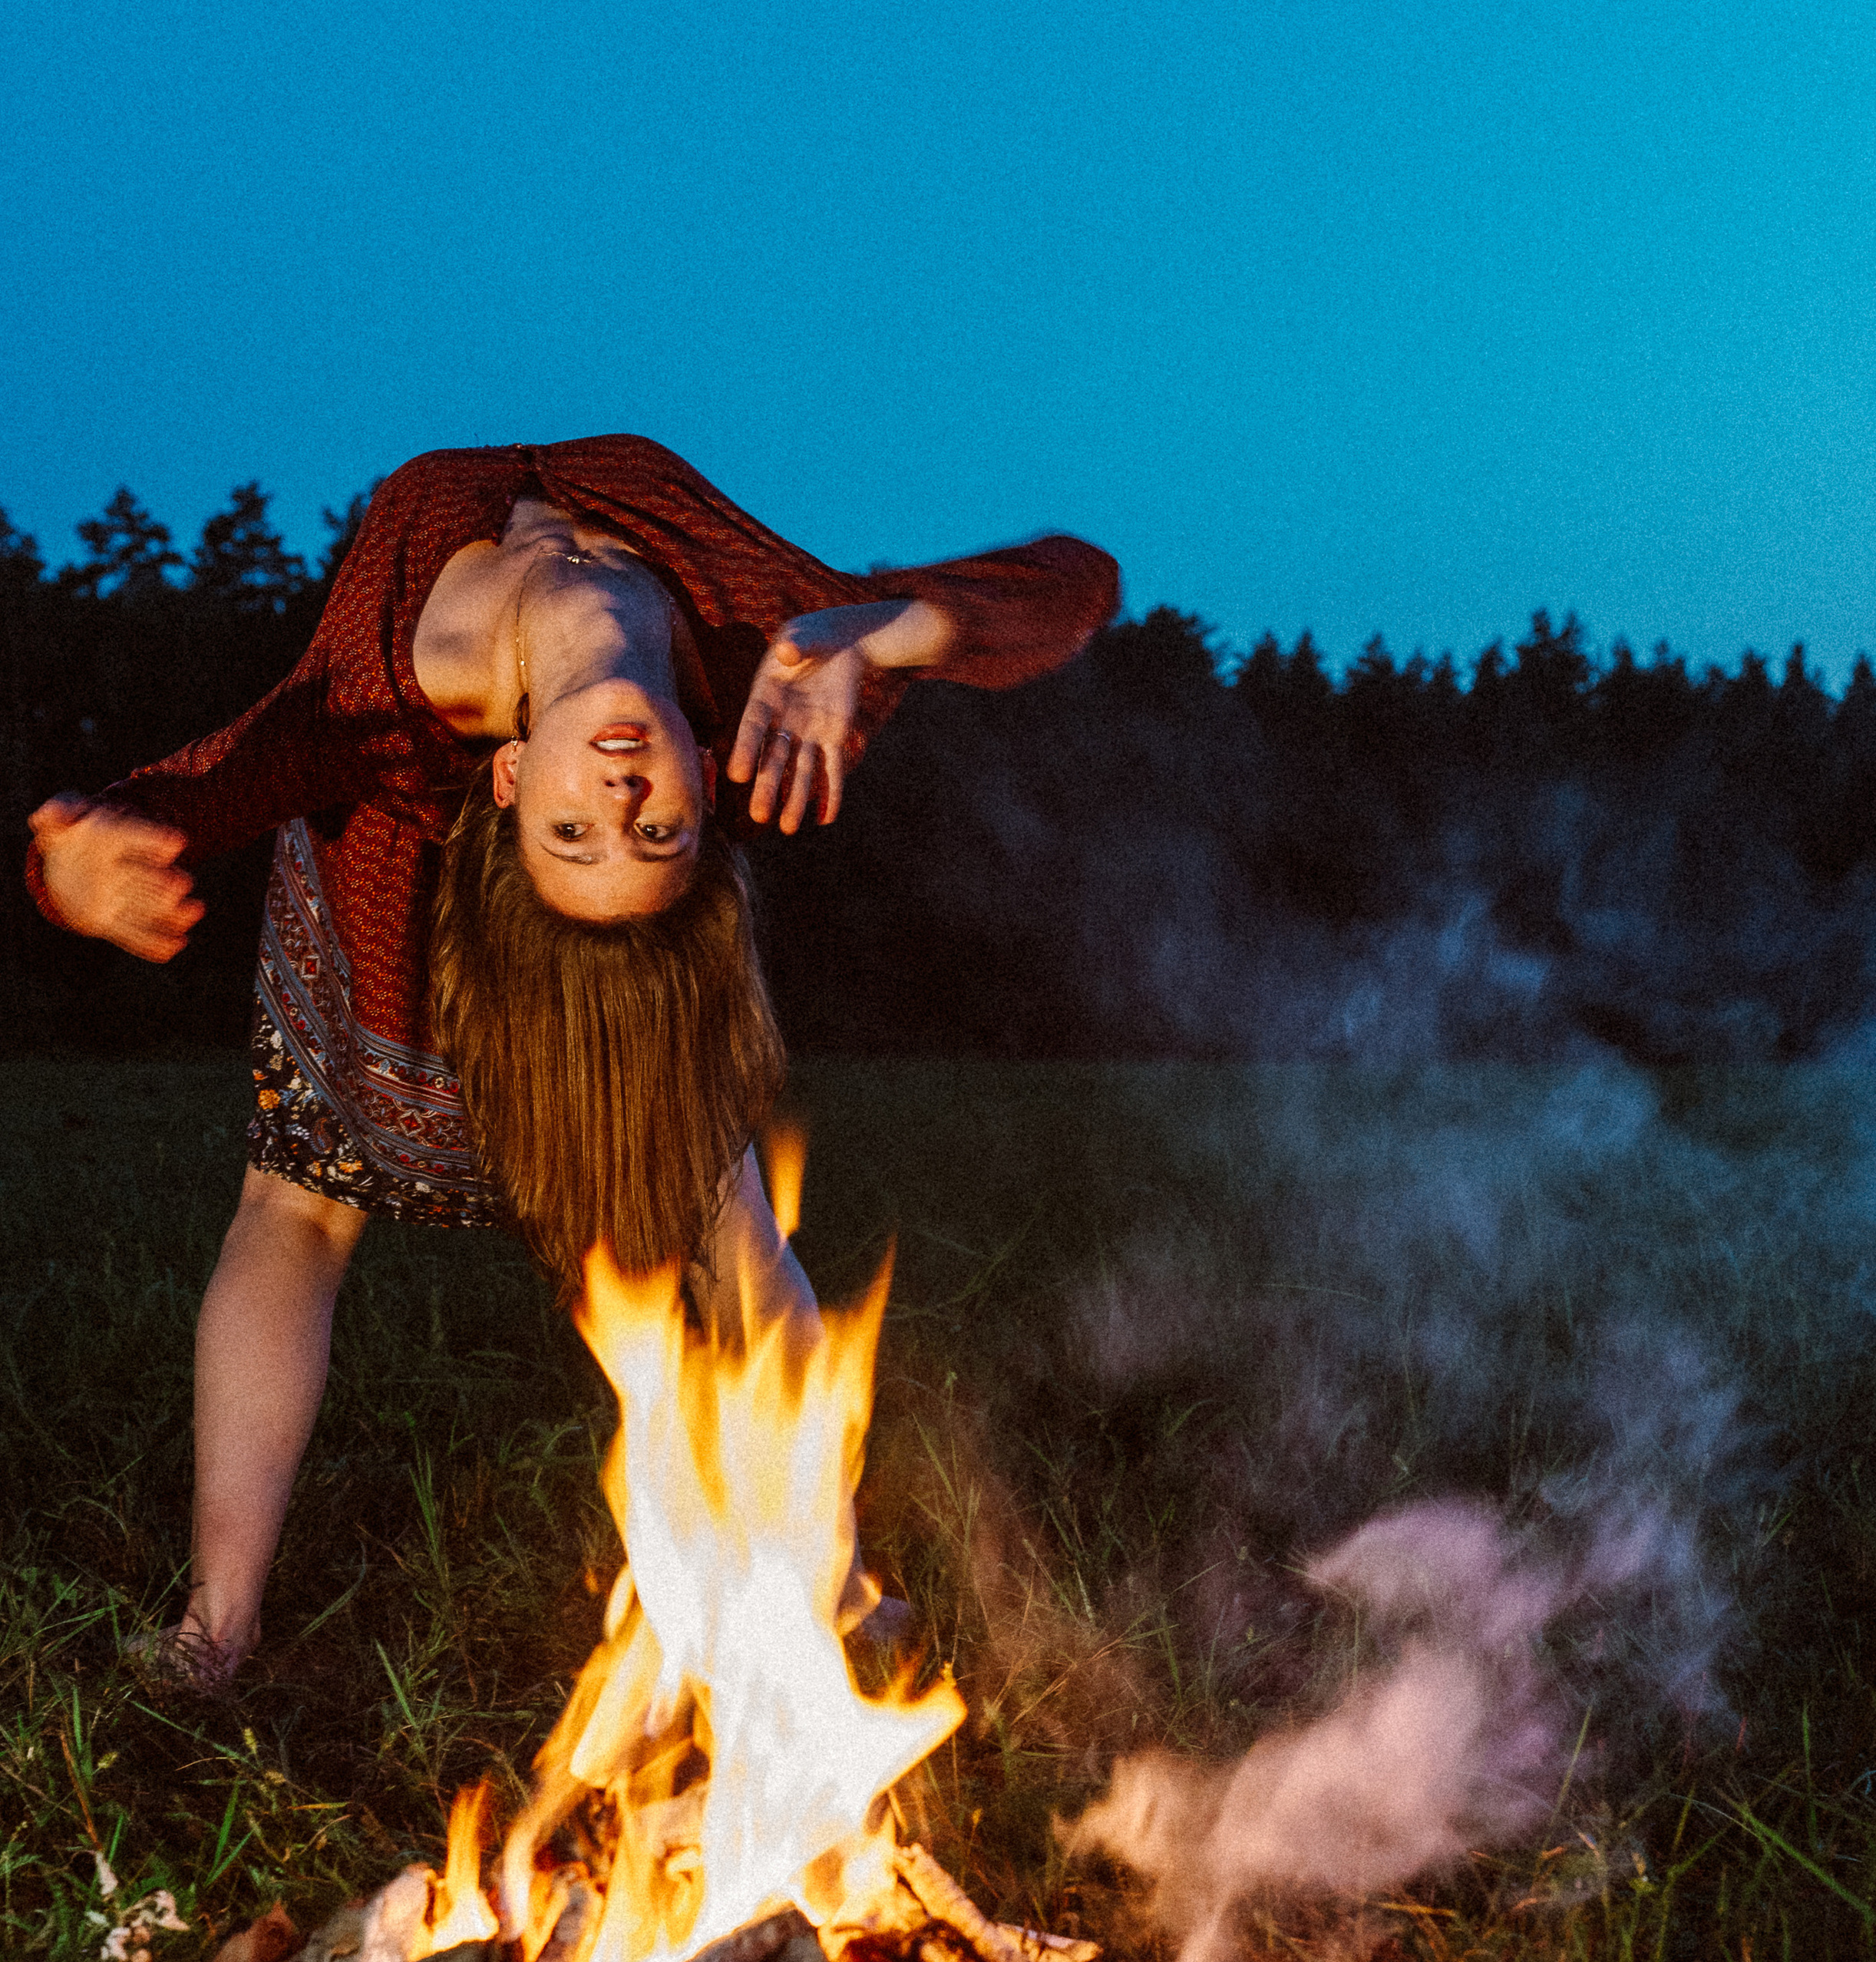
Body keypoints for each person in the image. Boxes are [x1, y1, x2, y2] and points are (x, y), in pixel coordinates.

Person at [27, 437, 1118, 1689]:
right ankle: (218, 1626)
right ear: (705, 785)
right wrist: (873, 634)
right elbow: (1070, 585)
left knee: (719, 1220)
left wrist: (69, 866)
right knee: (309, 1203)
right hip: (395, 889)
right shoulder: (768, 661)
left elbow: (202, 786)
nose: (617, 794)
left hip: (378, 828)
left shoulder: (398, 689)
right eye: (651, 829)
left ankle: (828, 1573)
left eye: (578, 829)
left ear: (513, 779)